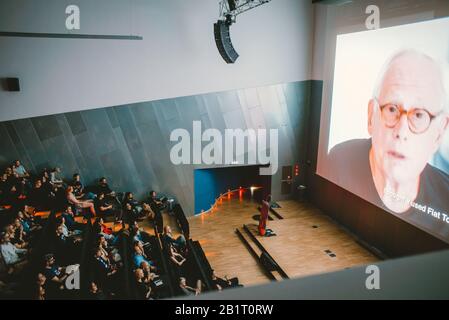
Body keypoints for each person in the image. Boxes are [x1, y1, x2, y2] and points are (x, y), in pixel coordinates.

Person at [327, 50, 449, 237]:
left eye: (418, 115)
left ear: (438, 133)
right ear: (371, 116)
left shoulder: (446, 198)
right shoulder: (337, 164)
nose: (401, 132)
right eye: (392, 109)